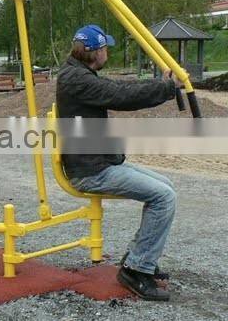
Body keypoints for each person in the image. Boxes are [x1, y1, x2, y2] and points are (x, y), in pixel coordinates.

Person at [56, 24, 181, 301]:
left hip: (97, 162)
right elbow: (120, 95)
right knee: (163, 197)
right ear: (95, 52)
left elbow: (117, 88)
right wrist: (165, 88)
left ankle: (139, 256)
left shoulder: (77, 74)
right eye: (106, 48)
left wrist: (161, 86)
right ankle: (135, 270)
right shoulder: (76, 80)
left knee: (166, 185)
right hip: (89, 171)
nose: (107, 53)